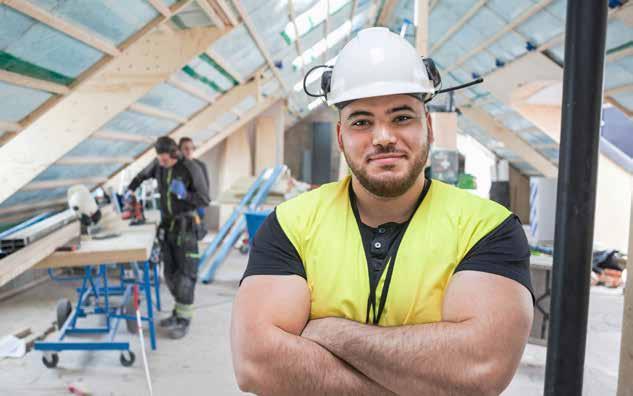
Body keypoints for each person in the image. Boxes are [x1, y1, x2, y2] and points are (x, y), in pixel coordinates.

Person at [231, 27, 534, 395]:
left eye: (402, 117)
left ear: (429, 128)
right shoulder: (291, 224)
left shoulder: (487, 228)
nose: (383, 137)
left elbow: (480, 368)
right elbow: (256, 364)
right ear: (341, 137)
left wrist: (331, 332)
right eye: (362, 121)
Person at [127, 136, 210, 339]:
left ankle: (184, 320)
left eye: (165, 160)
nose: (161, 164)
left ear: (174, 154)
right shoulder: (159, 164)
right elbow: (141, 176)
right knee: (170, 275)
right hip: (167, 227)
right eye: (159, 160)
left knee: (186, 276)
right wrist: (130, 190)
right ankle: (177, 312)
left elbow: (204, 199)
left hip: (186, 228)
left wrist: (185, 195)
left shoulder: (190, 168)